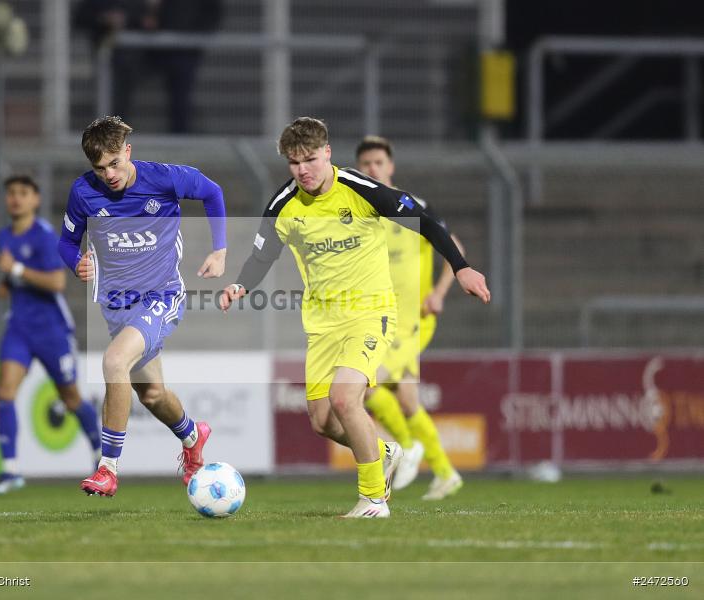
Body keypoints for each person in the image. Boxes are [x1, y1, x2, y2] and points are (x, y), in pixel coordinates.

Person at [219, 118, 490, 518]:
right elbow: (263, 255)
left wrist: (461, 267)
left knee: (345, 398)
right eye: (294, 162)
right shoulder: (282, 205)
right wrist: (240, 285)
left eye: (310, 159)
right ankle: (384, 452)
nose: (302, 170)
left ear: (328, 153)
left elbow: (425, 220)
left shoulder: (360, 189)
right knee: (323, 422)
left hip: (370, 312)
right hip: (322, 324)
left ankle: (373, 499)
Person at [58, 116, 227, 497]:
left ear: (128, 152)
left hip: (161, 296)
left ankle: (107, 469)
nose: (109, 174)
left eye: (115, 163)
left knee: (114, 362)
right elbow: (66, 243)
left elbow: (212, 192)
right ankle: (193, 437)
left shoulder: (164, 178)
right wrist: (76, 262)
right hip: (117, 307)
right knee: (151, 394)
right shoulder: (83, 192)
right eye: (100, 168)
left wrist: (220, 250)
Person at [356, 136, 466, 500]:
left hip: (413, 320)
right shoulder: (360, 211)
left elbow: (455, 246)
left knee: (368, 386)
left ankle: (405, 449)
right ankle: (446, 474)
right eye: (366, 164)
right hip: (381, 320)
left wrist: (439, 293)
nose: (372, 168)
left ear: (390, 167)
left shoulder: (412, 206)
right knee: (406, 401)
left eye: (378, 162)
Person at [0, 175, 101, 495]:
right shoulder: (3, 237)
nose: (16, 198)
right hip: (19, 327)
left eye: (23, 193)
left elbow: (57, 282)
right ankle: (11, 470)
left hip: (52, 329)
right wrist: (7, 282)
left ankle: (100, 455)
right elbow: (13, 275)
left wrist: (15, 270)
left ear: (35, 200)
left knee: (71, 398)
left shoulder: (44, 235)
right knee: (5, 391)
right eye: (11, 193)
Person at [73, 0, 223, 133]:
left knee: (180, 99)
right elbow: (82, 15)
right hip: (127, 57)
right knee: (118, 94)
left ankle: (180, 138)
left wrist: (188, 38)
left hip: (179, 54)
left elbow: (211, 12)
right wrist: (108, 19)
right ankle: (113, 139)